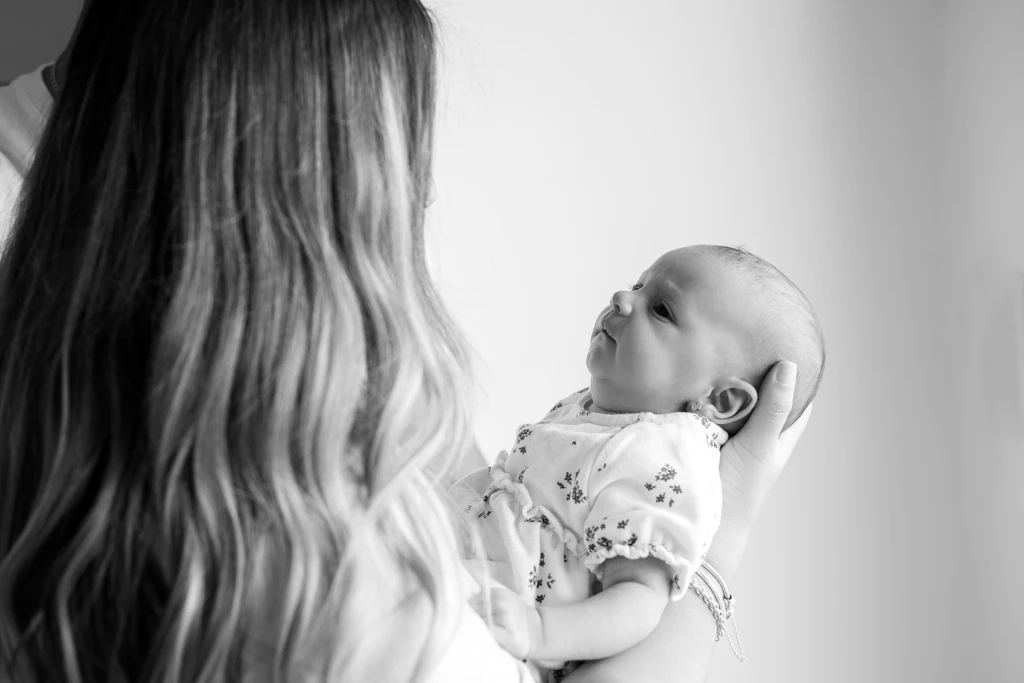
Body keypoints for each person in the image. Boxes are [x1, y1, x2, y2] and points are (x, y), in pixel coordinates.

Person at [0, 2, 813, 682]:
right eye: (399, 166)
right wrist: (724, 542)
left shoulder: (57, 397)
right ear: (299, 208)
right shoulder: (356, 587)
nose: (423, 194)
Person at [455, 246, 824, 681]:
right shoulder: (607, 416)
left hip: (512, 623)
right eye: (637, 286)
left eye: (662, 309)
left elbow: (639, 598)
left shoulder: (663, 458)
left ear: (720, 399)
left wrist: (539, 631)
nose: (621, 298)